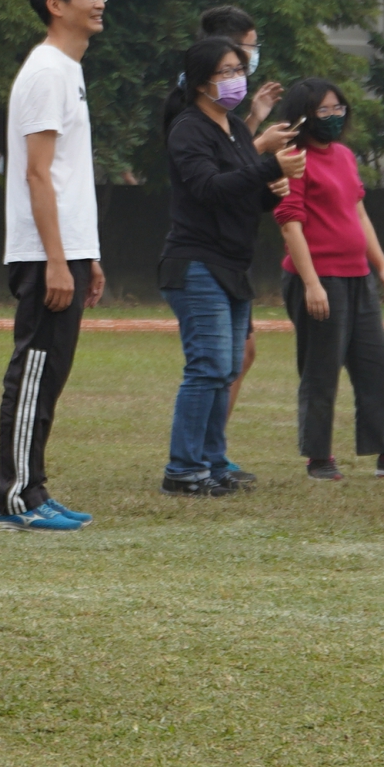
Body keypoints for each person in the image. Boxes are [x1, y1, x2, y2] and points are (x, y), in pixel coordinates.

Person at [154, 36, 304, 495]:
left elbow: (240, 194)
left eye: (240, 69)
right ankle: (183, 470)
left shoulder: (235, 127)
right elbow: (208, 188)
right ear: (201, 81)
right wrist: (269, 168)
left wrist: (271, 190)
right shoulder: (188, 128)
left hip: (232, 265)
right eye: (226, 71)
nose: (237, 78)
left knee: (225, 368)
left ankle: (212, 462)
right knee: (208, 366)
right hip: (196, 262)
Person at [0, 0, 106, 532]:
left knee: (50, 374)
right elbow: (37, 174)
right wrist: (57, 260)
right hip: (44, 255)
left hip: (66, 249)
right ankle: (14, 499)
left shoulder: (69, 70)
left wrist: (88, 256)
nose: (100, 1)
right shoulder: (45, 72)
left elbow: (65, 174)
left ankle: (34, 489)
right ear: (55, 6)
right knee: (34, 370)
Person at [271, 74, 384, 482]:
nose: (332, 116)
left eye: (337, 108)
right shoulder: (292, 158)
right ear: (303, 117)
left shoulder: (344, 155)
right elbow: (290, 223)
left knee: (375, 366)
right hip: (318, 279)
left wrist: (382, 266)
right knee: (321, 369)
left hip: (357, 276)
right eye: (322, 110)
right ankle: (318, 458)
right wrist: (311, 284)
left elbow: (359, 213)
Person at [197, 5, 281, 454]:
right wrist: (263, 146)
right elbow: (216, 169)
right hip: (206, 249)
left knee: (238, 355)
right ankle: (199, 455)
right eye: (249, 46)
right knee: (215, 361)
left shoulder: (225, 103)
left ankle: (212, 451)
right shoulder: (193, 98)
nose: (252, 55)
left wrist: (254, 120)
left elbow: (231, 149)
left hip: (231, 248)